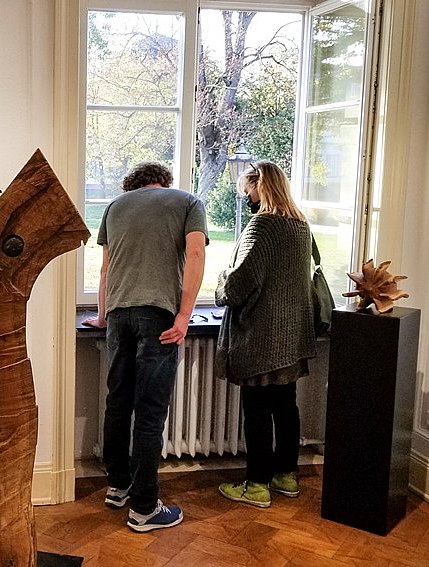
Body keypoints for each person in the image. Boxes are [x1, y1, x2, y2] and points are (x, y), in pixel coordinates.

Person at [83, 161, 208, 532]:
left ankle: (118, 486)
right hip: (158, 316)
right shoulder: (187, 201)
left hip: (118, 316)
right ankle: (144, 507)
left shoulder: (115, 207)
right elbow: (196, 255)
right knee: (150, 412)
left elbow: (105, 270)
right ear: (163, 181)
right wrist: (184, 316)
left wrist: (102, 317)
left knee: (118, 404)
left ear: (133, 185)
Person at [214, 160, 316, 508]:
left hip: (262, 338)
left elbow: (238, 285)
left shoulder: (262, 226)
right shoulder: (301, 226)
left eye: (249, 190)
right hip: (292, 338)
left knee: (256, 412)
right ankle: (286, 476)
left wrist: (221, 280)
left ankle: (256, 485)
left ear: (261, 187)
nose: (247, 197)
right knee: (286, 408)